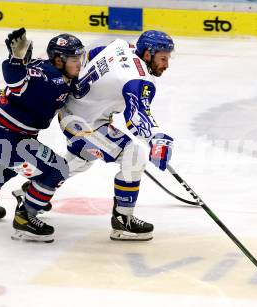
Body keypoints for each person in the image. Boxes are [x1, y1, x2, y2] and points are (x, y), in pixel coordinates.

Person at [0, 28, 85, 243]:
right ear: (58, 60)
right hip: (4, 136)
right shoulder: (46, 77)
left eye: (80, 57)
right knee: (57, 170)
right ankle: (25, 219)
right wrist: (15, 60)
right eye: (74, 58)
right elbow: (16, 81)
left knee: (4, 168)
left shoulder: (62, 74)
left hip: (3, 132)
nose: (79, 63)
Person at [57, 30, 175, 241]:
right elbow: (137, 117)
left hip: (72, 111)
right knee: (134, 153)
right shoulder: (139, 79)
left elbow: (93, 55)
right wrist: (157, 138)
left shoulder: (120, 46)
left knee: (82, 160)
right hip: (83, 125)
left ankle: (38, 188)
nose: (166, 64)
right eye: (163, 58)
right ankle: (123, 219)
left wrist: (97, 103)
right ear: (147, 54)